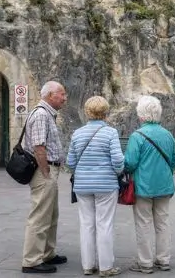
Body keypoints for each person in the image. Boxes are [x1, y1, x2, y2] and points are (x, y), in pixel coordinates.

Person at [66, 96, 124, 277]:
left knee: (86, 224)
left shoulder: (77, 133)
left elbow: (70, 162)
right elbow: (117, 161)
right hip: (106, 185)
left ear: (87, 112)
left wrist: (83, 171)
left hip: (83, 186)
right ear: (106, 112)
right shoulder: (110, 133)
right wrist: (118, 171)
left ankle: (88, 265)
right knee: (104, 224)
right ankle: (106, 267)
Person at [124, 95, 175, 274]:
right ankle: (164, 259)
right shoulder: (168, 135)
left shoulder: (137, 136)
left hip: (143, 187)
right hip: (164, 186)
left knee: (143, 223)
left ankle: (145, 262)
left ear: (141, 115)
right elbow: (173, 161)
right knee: (163, 223)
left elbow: (130, 163)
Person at [21, 81, 69, 274]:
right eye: (62, 94)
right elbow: (39, 147)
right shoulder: (41, 114)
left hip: (49, 170)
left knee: (51, 214)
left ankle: (47, 253)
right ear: (50, 95)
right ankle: (31, 260)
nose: (65, 98)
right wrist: (45, 173)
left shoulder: (46, 113)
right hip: (44, 171)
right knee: (40, 216)